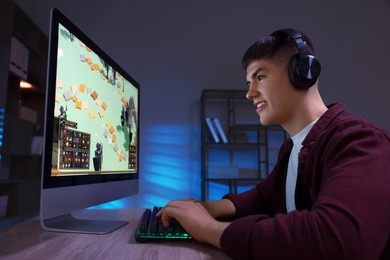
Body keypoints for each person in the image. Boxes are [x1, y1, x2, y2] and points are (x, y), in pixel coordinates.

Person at [156, 28, 390, 259]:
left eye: (259, 77)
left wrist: (207, 228)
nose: (249, 93)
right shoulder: (291, 149)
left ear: (302, 72)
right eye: (248, 82)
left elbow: (339, 238)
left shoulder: (360, 140)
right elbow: (265, 196)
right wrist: (207, 208)